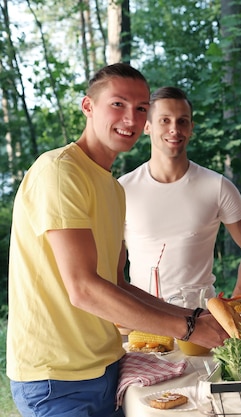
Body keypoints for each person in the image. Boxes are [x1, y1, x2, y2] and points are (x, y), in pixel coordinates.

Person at [6, 63, 229, 417]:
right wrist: (187, 328)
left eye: (141, 108)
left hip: (106, 368)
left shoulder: (113, 187)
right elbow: (83, 288)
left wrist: (196, 315)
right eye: (118, 104)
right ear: (88, 106)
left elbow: (116, 284)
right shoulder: (60, 171)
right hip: (56, 380)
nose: (131, 118)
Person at [119, 86, 241, 301]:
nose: (174, 129)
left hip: (200, 321)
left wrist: (234, 305)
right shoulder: (122, 189)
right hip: (144, 322)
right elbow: (111, 263)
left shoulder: (217, 186)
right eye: (165, 120)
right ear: (147, 126)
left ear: (191, 128)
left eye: (182, 121)